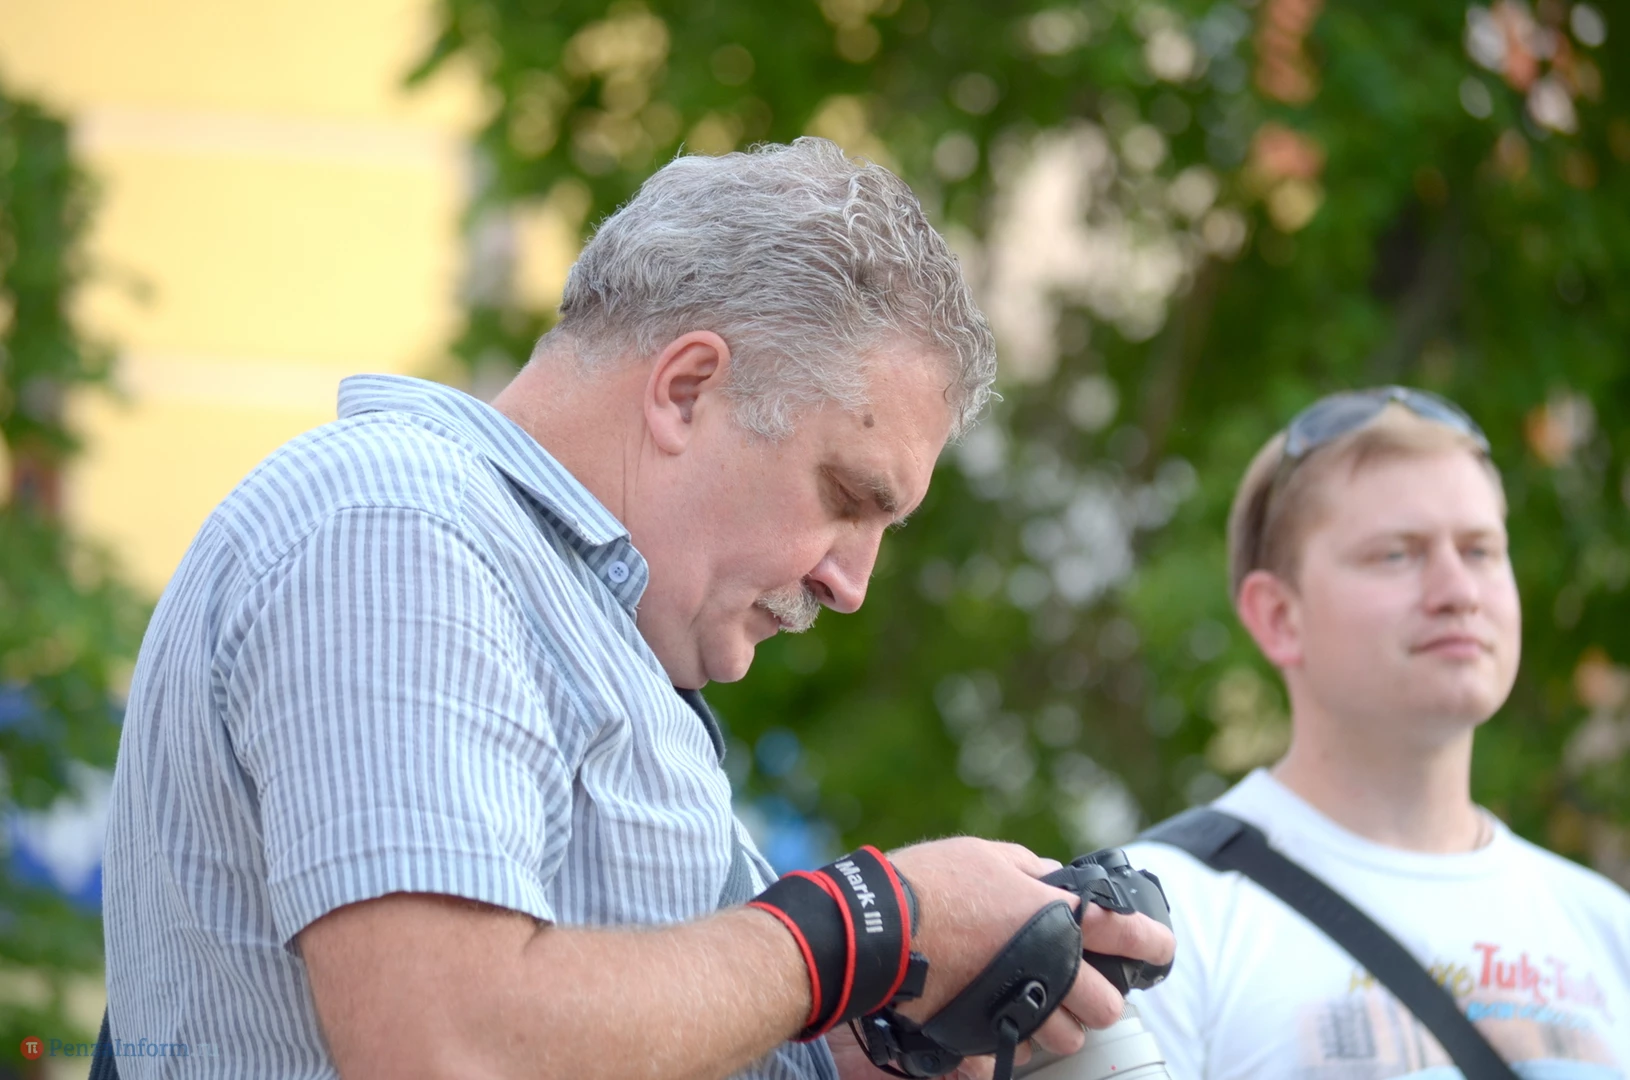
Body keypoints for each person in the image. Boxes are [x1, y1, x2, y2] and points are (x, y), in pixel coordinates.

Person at [99, 137, 1172, 1080]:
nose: (849, 583)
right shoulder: (394, 524)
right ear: (686, 388)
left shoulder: (568, 611)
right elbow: (446, 1047)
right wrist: (869, 924)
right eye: (848, 498)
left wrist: (853, 1046)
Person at [1124, 388, 1630, 1079]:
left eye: (1481, 550)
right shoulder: (1157, 927)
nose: (1459, 591)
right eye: (1397, 554)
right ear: (1278, 617)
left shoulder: (1608, 931)